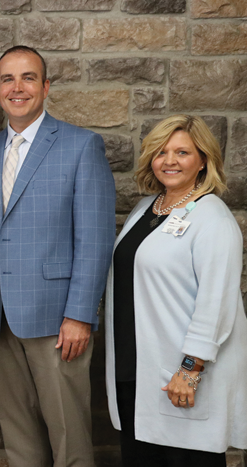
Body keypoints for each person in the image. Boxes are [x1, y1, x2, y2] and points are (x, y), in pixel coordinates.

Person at [0, 45, 116, 466]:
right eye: (8, 79)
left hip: (58, 320)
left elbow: (96, 237)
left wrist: (80, 314)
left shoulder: (81, 146)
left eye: (28, 77)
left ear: (45, 87)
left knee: (70, 434)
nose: (18, 87)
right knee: (19, 437)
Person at [105, 115, 247, 466]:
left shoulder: (213, 218)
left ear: (203, 160)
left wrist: (190, 367)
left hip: (181, 377)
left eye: (182, 152)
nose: (169, 161)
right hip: (135, 369)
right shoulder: (146, 210)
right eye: (161, 152)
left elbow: (217, 303)